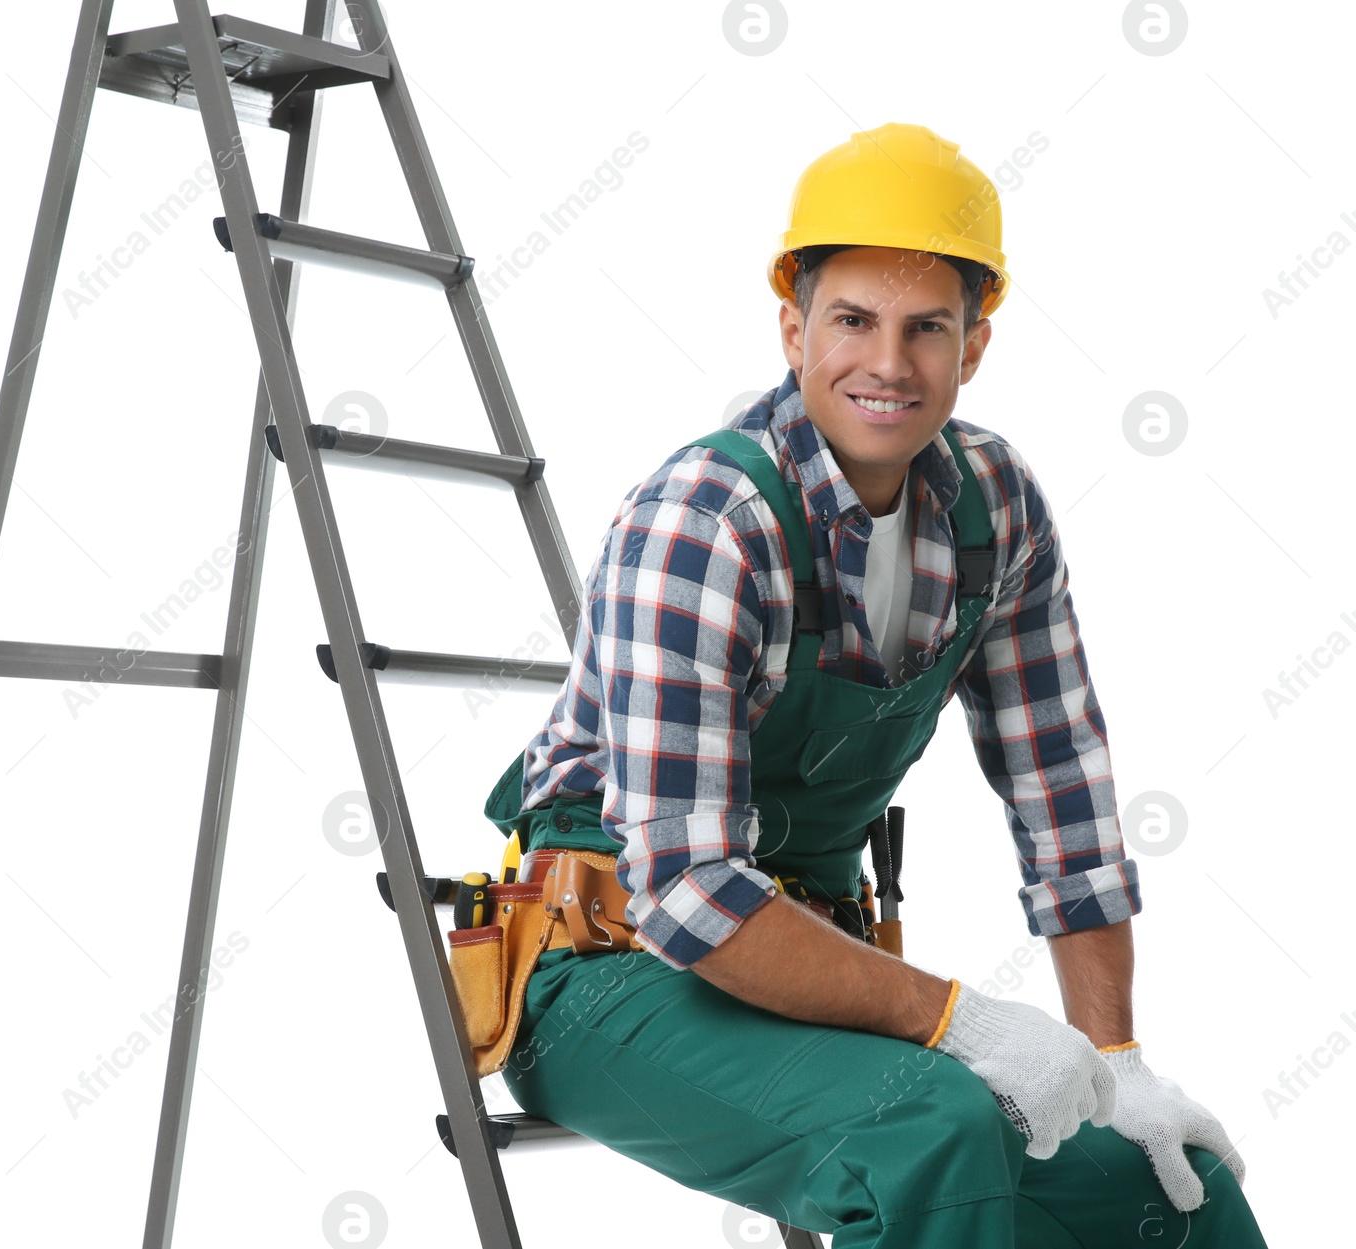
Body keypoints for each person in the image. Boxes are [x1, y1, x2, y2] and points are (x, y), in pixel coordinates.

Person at [479, 122, 1270, 1246]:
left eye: (925, 329)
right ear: (793, 327)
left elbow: (1064, 800)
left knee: (1172, 1189)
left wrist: (1115, 1059)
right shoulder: (707, 523)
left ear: (975, 345)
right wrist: (964, 1022)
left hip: (817, 968)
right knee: (930, 1129)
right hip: (607, 974)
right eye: (852, 321)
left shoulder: (993, 507)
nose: (888, 364)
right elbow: (688, 891)